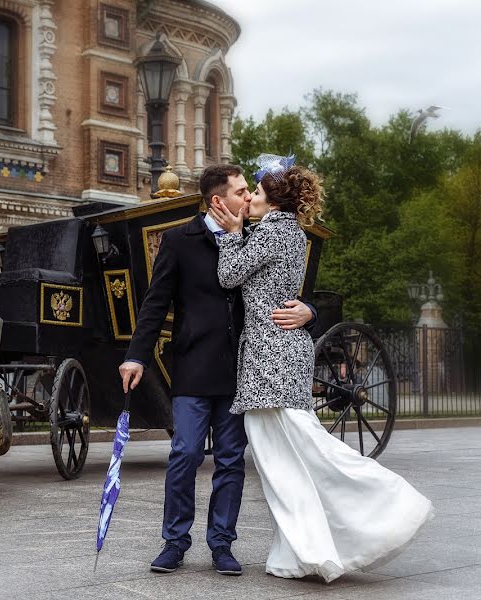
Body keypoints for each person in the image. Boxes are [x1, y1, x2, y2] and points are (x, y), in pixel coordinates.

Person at [210, 154, 433, 582]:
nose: (251, 198)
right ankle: (299, 551)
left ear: (273, 202)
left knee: (291, 456)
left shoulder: (269, 232)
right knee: (291, 456)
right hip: (279, 356)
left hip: (269, 360)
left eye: (256, 192)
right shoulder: (289, 231)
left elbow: (228, 275)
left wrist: (232, 234)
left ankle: (386, 506)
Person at [118, 164, 317, 576]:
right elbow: (155, 304)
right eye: (242, 191)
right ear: (217, 200)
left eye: (251, 191)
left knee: (230, 460)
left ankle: (222, 544)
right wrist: (136, 355)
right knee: (185, 453)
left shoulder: (259, 235)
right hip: (192, 365)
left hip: (242, 371)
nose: (249, 197)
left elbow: (290, 289)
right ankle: (174, 541)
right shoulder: (178, 241)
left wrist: (309, 311)